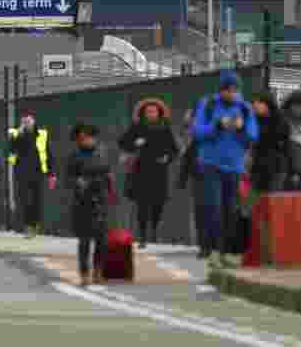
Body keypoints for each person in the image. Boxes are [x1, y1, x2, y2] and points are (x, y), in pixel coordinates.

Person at [193, 69, 258, 266]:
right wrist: (218, 125)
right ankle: (209, 247)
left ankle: (226, 250)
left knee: (231, 208)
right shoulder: (208, 104)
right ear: (220, 90)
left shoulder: (245, 108)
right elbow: (198, 131)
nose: (231, 94)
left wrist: (241, 128)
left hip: (234, 166)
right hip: (210, 163)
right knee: (213, 205)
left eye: (235, 90)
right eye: (227, 90)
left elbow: (253, 135)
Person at [118, 98, 178, 248]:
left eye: (154, 111)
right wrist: (134, 143)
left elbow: (174, 150)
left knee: (158, 204)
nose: (151, 113)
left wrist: (167, 158)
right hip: (141, 170)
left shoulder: (165, 128)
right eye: (148, 111)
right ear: (143, 113)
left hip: (159, 171)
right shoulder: (137, 127)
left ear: (159, 113)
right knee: (142, 204)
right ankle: (143, 236)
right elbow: (122, 142)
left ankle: (154, 231)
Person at [65, 122, 114, 286]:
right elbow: (68, 179)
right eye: (83, 137)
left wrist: (110, 189)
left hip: (101, 199)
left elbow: (108, 172)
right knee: (85, 240)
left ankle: (98, 271)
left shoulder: (102, 151)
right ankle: (84, 273)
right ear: (78, 139)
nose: (87, 140)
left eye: (90, 137)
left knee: (102, 239)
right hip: (82, 201)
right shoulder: (74, 155)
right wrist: (78, 182)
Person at [7, 111, 56, 237]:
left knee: (37, 201)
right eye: (24, 122)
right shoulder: (17, 135)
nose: (27, 124)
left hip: (38, 173)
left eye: (29, 121)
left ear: (33, 121)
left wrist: (52, 174)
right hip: (23, 174)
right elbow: (11, 152)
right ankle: (29, 227)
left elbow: (49, 154)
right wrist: (19, 133)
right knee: (26, 201)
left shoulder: (42, 135)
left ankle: (35, 225)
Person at [177, 110, 206, 255]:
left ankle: (213, 244)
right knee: (200, 212)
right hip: (198, 179)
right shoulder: (193, 141)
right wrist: (182, 180)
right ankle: (203, 244)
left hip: (216, 178)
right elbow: (187, 160)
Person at [250, 92, 290, 193]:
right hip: (257, 166)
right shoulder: (254, 120)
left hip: (276, 166)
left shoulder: (280, 120)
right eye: (254, 104)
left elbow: (283, 144)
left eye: (258, 103)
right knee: (257, 197)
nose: (254, 106)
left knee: (272, 198)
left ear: (267, 104)